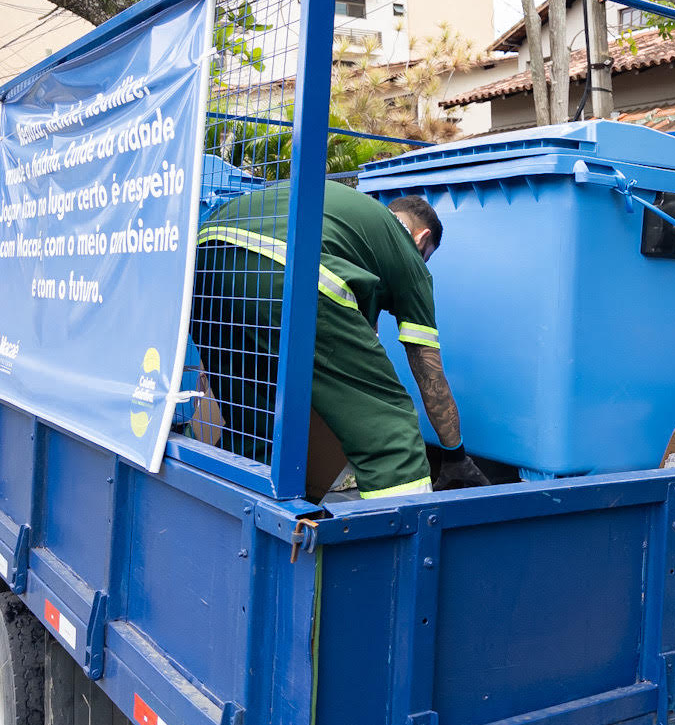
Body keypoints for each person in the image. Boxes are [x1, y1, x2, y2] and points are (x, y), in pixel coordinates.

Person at [193, 180, 487, 498]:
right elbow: (430, 375)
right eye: (424, 256)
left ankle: (234, 516)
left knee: (259, 421)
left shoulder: (353, 219)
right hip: (285, 268)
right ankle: (403, 536)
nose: (420, 263)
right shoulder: (406, 251)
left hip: (206, 265)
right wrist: (455, 456)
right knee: (390, 427)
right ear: (421, 237)